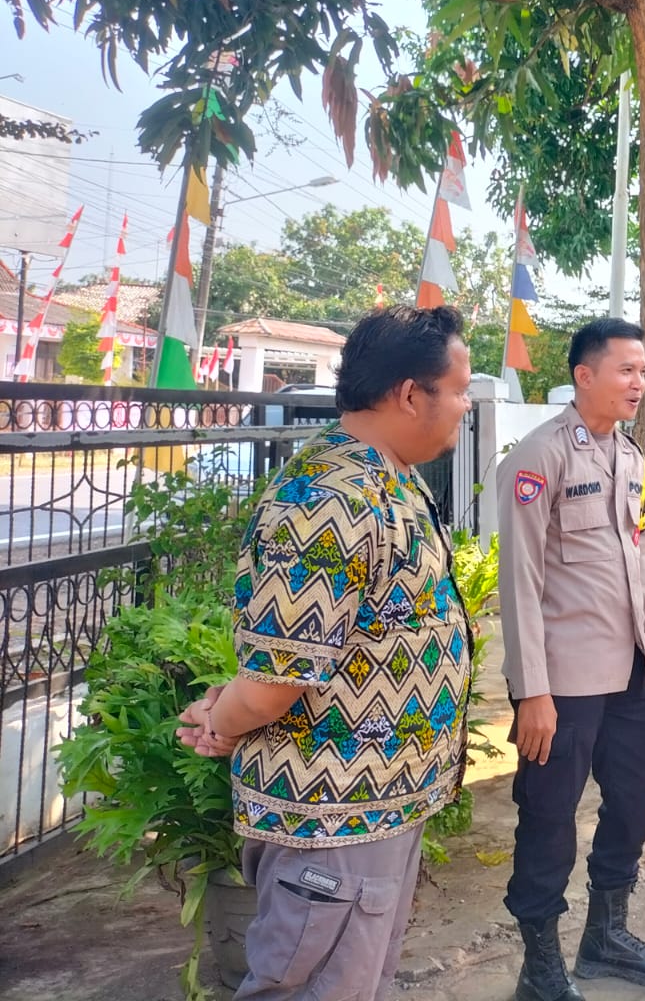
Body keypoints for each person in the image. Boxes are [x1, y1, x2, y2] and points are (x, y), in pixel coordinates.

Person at [176, 305, 475, 1001]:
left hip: (376, 810)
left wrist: (229, 707)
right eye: (460, 390)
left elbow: (318, 645)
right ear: (410, 394)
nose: (466, 407)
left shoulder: (389, 478)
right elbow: (275, 682)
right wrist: (223, 720)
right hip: (330, 824)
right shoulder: (326, 499)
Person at [498, 318, 645, 1001]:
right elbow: (520, 583)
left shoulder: (631, 458)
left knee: (635, 802)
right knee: (549, 820)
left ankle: (605, 938)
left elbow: (638, 565)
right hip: (564, 683)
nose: (639, 383)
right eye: (627, 370)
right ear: (585, 375)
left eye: (643, 372)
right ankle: (539, 966)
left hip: (630, 672)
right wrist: (531, 692)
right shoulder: (538, 457)